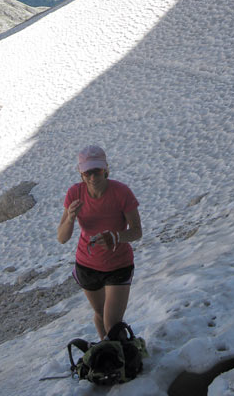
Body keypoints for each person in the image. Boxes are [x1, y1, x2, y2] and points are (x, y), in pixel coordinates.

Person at [58, 144, 142, 339]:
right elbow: (62, 238)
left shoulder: (121, 193)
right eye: (88, 173)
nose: (93, 177)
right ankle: (110, 359)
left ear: (106, 170)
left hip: (118, 266)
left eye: (97, 171)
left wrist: (116, 237)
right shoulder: (75, 194)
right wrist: (70, 218)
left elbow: (137, 231)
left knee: (112, 323)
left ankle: (122, 359)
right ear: (81, 174)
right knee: (100, 314)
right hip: (87, 266)